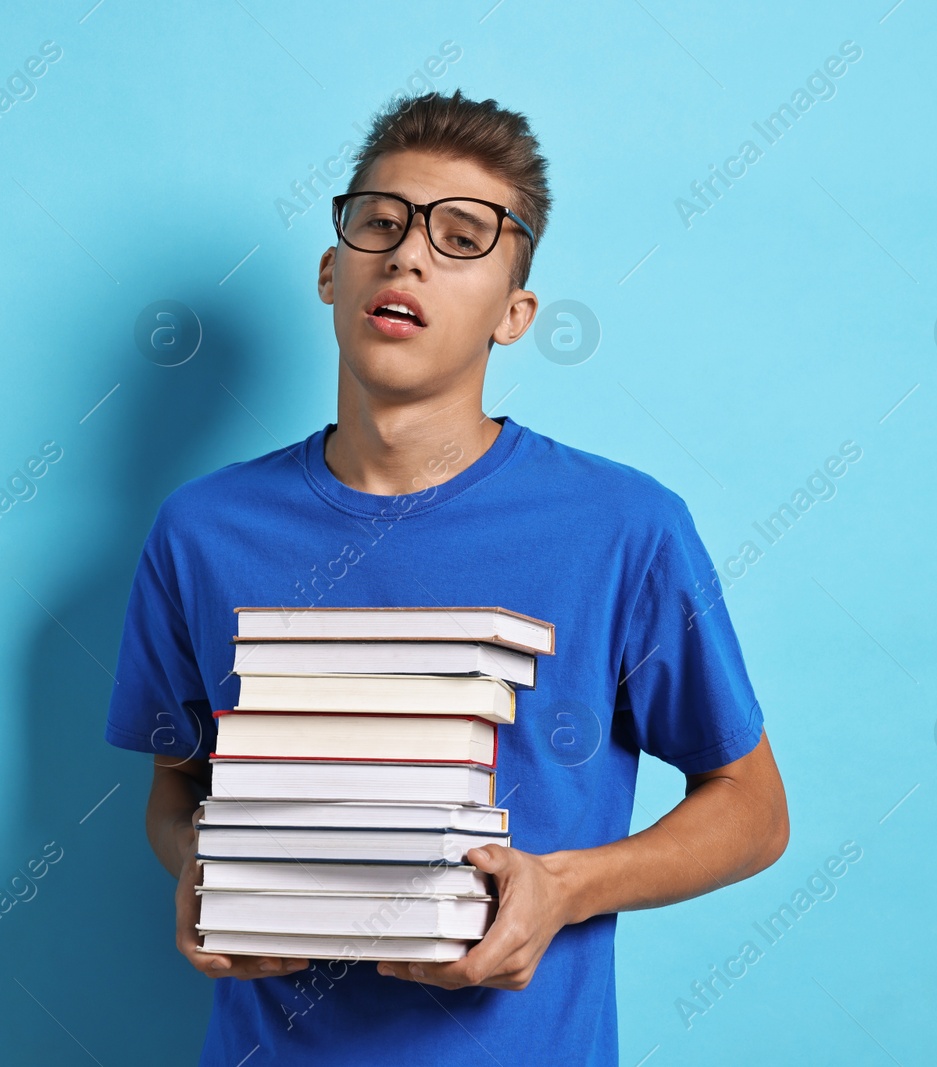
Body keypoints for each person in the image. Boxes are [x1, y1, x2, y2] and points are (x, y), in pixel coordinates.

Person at [105, 87, 789, 1065]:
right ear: (331, 270)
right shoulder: (201, 530)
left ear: (514, 313)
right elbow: (176, 791)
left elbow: (754, 808)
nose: (409, 252)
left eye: (462, 234)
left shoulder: (622, 527)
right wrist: (194, 869)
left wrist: (563, 886)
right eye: (379, 222)